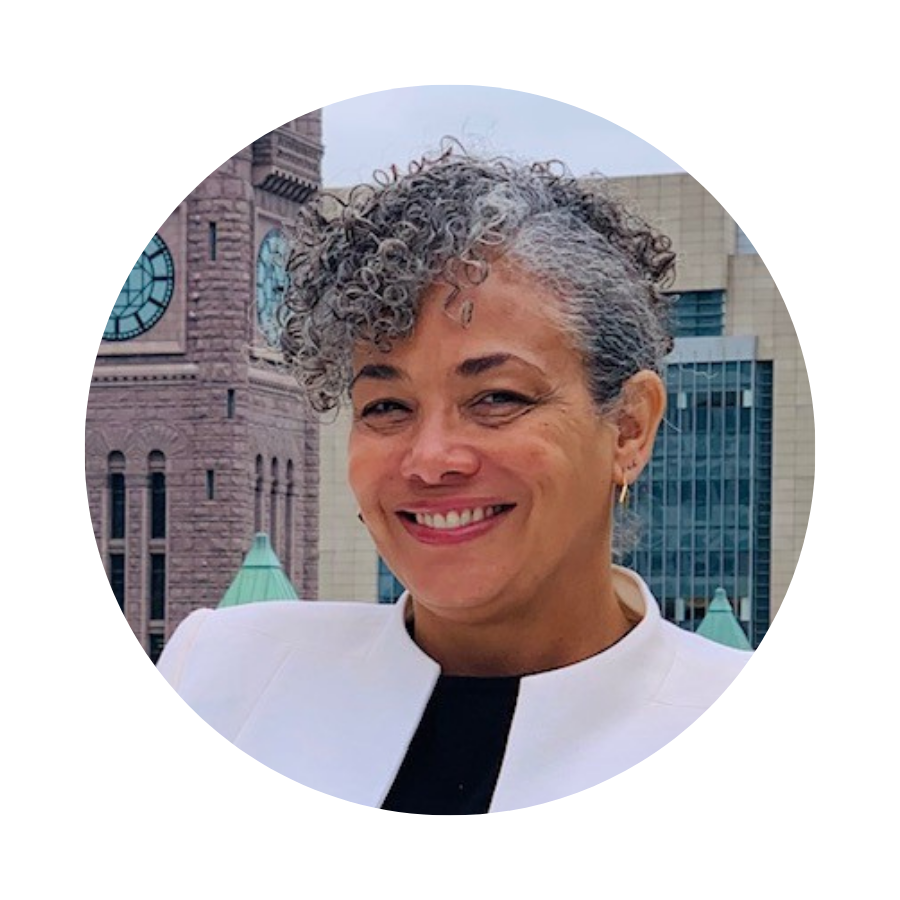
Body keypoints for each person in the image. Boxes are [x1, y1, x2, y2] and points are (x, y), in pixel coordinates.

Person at [157, 146, 753, 813]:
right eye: (386, 407)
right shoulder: (222, 673)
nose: (431, 458)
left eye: (497, 398)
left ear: (630, 430)